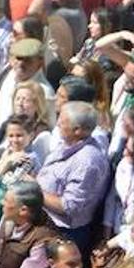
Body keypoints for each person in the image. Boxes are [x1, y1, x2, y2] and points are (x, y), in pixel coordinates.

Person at [39, 101, 112, 256]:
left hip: (64, 233)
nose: (57, 123)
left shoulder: (87, 162)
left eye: (63, 120)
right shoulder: (67, 145)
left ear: (77, 130)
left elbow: (70, 207)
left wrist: (35, 190)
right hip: (44, 222)